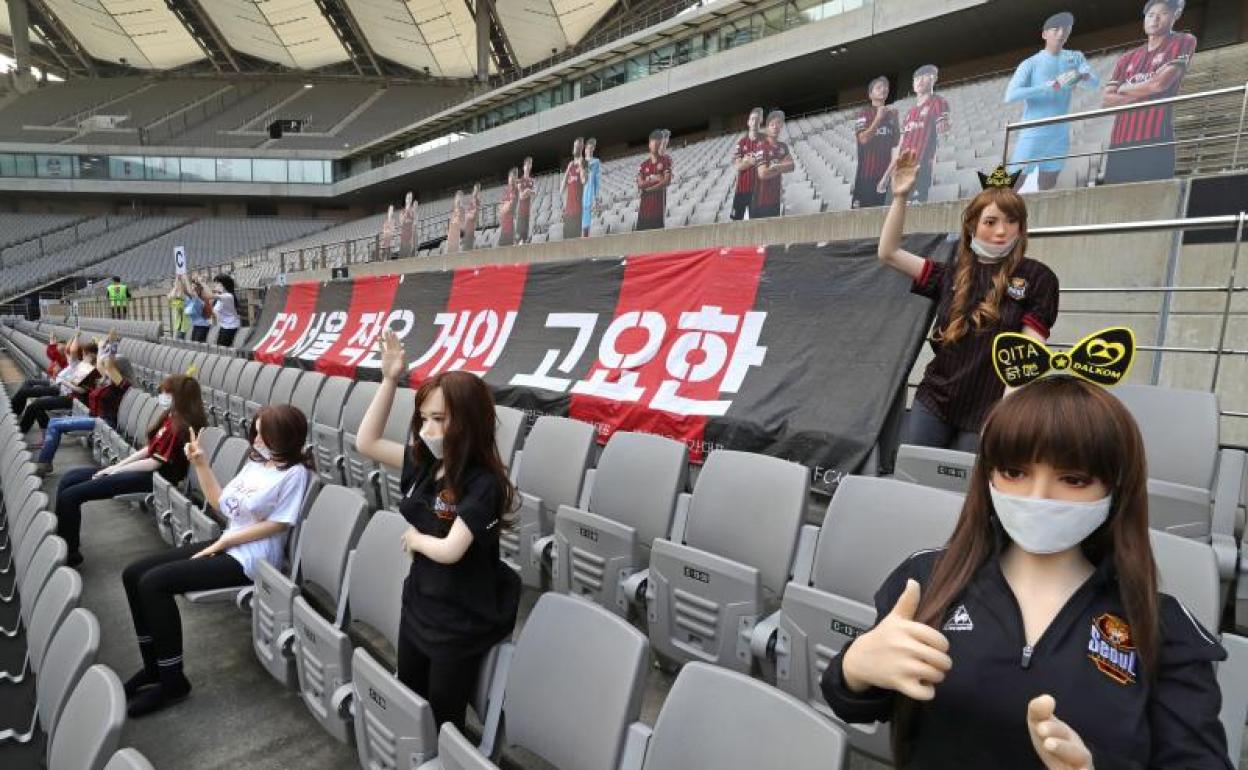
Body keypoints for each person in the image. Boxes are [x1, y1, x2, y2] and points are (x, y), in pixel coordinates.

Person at [820, 375, 1232, 768]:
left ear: (1115, 488)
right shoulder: (928, 579)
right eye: (1014, 473)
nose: (1038, 497)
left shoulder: (1164, 629)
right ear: (988, 476)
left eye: (1073, 479)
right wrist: (853, 668)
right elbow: (857, 702)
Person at [356, 331, 520, 733]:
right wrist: (390, 380)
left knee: (444, 718)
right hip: (419, 603)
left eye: (440, 420)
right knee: (410, 700)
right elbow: (367, 442)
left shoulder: (484, 484)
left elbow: (451, 550)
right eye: (424, 419)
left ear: (470, 422)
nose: (427, 429)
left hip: (459, 620)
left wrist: (415, 540)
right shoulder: (425, 464)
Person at [121, 405, 312, 717]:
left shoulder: (295, 474)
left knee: (153, 584)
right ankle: (153, 667)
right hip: (229, 542)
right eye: (256, 432)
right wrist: (200, 464)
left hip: (253, 558)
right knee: (133, 574)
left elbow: (279, 524)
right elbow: (221, 504)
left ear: (284, 437)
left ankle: (172, 680)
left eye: (264, 434)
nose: (256, 439)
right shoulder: (256, 463)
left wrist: (225, 541)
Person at [878, 155, 1059, 450]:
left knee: (967, 479)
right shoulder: (951, 272)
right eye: (991, 221)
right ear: (972, 225)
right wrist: (900, 197)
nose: (1002, 231)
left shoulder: (1038, 277)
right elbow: (888, 252)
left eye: (1011, 221)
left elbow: (1026, 357)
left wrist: (1007, 413)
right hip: (934, 401)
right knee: (915, 472)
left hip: (990, 410)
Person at [56, 374, 206, 567]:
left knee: (70, 496)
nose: (162, 396)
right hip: (142, 471)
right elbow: (149, 449)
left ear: (178, 396)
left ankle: (70, 554)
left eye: (166, 392)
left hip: (154, 479)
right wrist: (116, 466)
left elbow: (154, 463)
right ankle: (63, 538)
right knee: (70, 478)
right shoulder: (171, 417)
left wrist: (117, 471)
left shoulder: (182, 426)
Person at [1101, 0, 1197, 184]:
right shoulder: (1126, 58)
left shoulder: (1183, 41)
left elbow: (1160, 84)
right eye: (1151, 15)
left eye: (1163, 14)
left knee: (1152, 194)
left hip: (1156, 137)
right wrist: (1144, 91)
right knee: (1115, 194)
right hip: (1119, 142)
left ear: (1175, 15)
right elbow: (1107, 101)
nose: (1155, 19)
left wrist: (1124, 88)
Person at [1005, 12, 1099, 191]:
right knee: (1014, 182)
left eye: (1066, 29)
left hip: (1059, 133)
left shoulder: (1075, 57)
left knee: (1048, 182)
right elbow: (1010, 95)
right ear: (1044, 34)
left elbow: (1094, 84)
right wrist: (1046, 87)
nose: (1061, 33)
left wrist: (1082, 76)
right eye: (1056, 29)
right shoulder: (1030, 63)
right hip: (1033, 132)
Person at [34, 354, 133, 476]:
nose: (106, 370)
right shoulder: (109, 382)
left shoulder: (123, 385)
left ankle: (43, 464)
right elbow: (102, 367)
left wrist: (108, 352)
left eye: (109, 368)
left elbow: (109, 367)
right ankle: (45, 462)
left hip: (105, 422)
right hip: (96, 418)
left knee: (55, 426)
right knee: (53, 422)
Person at [885, 65, 951, 203]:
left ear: (934, 79)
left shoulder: (938, 102)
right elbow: (900, 146)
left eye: (925, 76)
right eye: (916, 79)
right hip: (900, 170)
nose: (920, 81)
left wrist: (945, 128)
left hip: (920, 169)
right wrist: (887, 175)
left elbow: (944, 134)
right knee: (891, 209)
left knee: (911, 210)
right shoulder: (910, 112)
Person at [21, 339, 100, 436]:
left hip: (75, 400)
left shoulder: (91, 369)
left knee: (36, 405)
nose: (83, 356)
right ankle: (44, 434)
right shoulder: (84, 366)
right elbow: (68, 352)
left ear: (90, 354)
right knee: (36, 405)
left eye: (85, 353)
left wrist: (64, 382)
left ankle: (24, 431)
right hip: (71, 396)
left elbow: (81, 390)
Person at [853, 78, 900, 208]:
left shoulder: (890, 115)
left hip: (886, 176)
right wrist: (878, 119)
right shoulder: (863, 113)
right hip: (867, 176)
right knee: (865, 215)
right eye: (878, 87)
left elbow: (896, 142)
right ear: (870, 95)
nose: (883, 89)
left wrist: (896, 121)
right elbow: (863, 139)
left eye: (885, 87)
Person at [11, 332, 69, 416]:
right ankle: (16, 409)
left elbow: (55, 355)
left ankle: (13, 410)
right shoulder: (57, 359)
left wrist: (53, 345)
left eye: (62, 349)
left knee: (25, 392)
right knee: (27, 382)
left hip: (57, 387)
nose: (58, 350)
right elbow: (51, 354)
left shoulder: (65, 360)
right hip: (52, 381)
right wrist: (52, 344)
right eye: (58, 348)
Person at [752, 110, 795, 219]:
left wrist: (776, 167)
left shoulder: (783, 146)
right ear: (767, 128)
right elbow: (762, 174)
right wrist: (782, 167)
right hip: (760, 201)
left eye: (778, 123)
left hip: (775, 198)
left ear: (781, 126)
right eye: (772, 124)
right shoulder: (761, 146)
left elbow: (792, 166)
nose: (775, 127)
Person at [731, 108, 766, 220]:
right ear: (748, 122)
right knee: (736, 222)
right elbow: (738, 166)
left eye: (757, 119)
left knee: (756, 223)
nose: (754, 121)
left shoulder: (765, 140)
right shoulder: (741, 142)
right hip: (741, 190)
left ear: (760, 121)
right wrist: (753, 161)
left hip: (758, 191)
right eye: (752, 119)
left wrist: (746, 160)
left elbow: (765, 164)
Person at [636, 129, 673, 231]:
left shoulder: (666, 160)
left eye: (664, 142)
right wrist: (654, 178)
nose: (661, 146)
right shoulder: (643, 165)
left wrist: (648, 184)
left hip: (657, 211)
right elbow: (640, 184)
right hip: (643, 212)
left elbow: (666, 181)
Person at [206, 274, 241, 347]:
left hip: (231, 327)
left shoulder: (228, 296)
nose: (215, 286)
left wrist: (202, 282)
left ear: (224, 285)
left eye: (218, 284)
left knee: (222, 348)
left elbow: (209, 295)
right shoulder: (221, 297)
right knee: (219, 347)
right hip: (224, 326)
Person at [562, 137, 586, 238]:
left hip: (578, 211)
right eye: (575, 146)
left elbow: (584, 181)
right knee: (566, 240)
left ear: (582, 148)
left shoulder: (584, 163)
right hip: (568, 211)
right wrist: (567, 170)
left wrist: (581, 167)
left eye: (578, 146)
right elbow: (563, 188)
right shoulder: (570, 165)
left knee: (575, 240)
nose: (575, 148)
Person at [183, 277, 213, 343]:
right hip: (196, 325)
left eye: (194, 288)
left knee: (197, 345)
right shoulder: (189, 299)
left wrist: (186, 278)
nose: (192, 289)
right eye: (191, 287)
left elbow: (209, 295)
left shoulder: (199, 300)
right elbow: (185, 290)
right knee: (193, 344)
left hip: (202, 326)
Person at [581, 138, 601, 237]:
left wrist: (596, 198)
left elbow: (597, 181)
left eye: (591, 148)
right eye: (587, 148)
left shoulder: (596, 162)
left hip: (589, 195)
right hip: (580, 196)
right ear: (585, 150)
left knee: (587, 224)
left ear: (593, 149)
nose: (589, 150)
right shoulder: (581, 162)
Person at [516, 157, 535, 245]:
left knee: (525, 239)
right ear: (523, 167)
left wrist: (527, 191)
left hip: (528, 212)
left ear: (531, 166)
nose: (528, 167)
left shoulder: (531, 181)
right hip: (520, 212)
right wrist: (528, 191)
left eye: (530, 164)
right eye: (526, 165)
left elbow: (534, 193)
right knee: (518, 239)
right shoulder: (520, 181)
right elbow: (521, 196)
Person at [497, 168, 518, 248]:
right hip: (504, 224)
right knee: (500, 248)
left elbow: (509, 206)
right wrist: (504, 206)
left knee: (510, 248)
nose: (511, 179)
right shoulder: (506, 190)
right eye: (510, 177)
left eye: (513, 177)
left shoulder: (516, 190)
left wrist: (505, 206)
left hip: (511, 224)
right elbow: (500, 207)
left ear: (516, 178)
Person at [463, 184, 480, 251]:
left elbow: (475, 211)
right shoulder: (473, 199)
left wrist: (471, 214)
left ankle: (469, 247)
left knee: (470, 234)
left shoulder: (476, 199)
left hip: (471, 220)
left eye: (476, 190)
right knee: (468, 234)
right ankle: (468, 247)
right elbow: (469, 210)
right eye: (474, 190)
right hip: (469, 220)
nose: (474, 191)